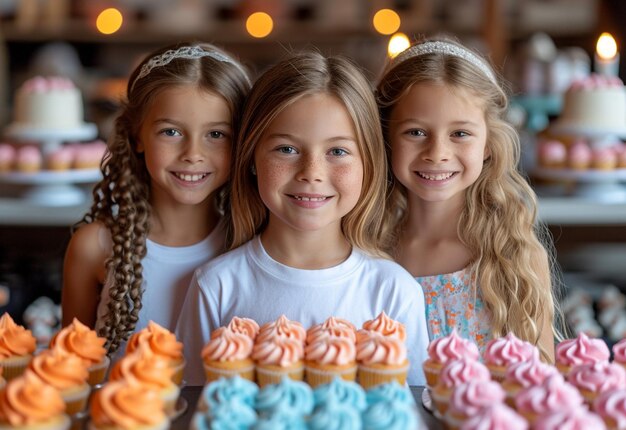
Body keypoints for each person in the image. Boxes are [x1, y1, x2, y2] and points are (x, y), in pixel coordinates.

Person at [176, 51, 429, 386]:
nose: (312, 173)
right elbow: (193, 405)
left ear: (368, 164)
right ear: (252, 158)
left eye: (337, 152)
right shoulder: (217, 285)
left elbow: (409, 410)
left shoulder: (394, 292)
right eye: (287, 149)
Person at [378, 38, 562, 362]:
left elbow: (540, 380)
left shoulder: (515, 256)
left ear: (489, 143)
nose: (437, 154)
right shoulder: (369, 247)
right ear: (386, 137)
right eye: (415, 132)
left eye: (460, 134)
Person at [62, 42, 251, 356]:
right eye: (171, 132)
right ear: (137, 136)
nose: (193, 155)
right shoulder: (93, 246)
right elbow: (69, 374)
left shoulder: (250, 242)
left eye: (216, 134)